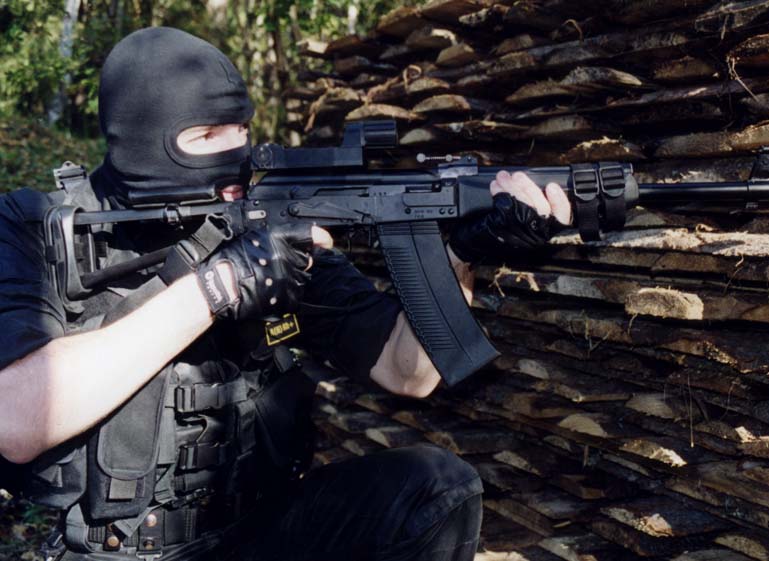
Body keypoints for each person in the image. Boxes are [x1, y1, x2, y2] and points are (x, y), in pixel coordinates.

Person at [0, 27, 571, 561]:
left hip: (260, 528)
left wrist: (461, 254)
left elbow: (409, 373)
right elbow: (16, 421)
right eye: (207, 135)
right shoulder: (34, 229)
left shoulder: (266, 224)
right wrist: (220, 287)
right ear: (146, 138)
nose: (236, 153)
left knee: (435, 490)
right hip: (117, 551)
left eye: (241, 130)